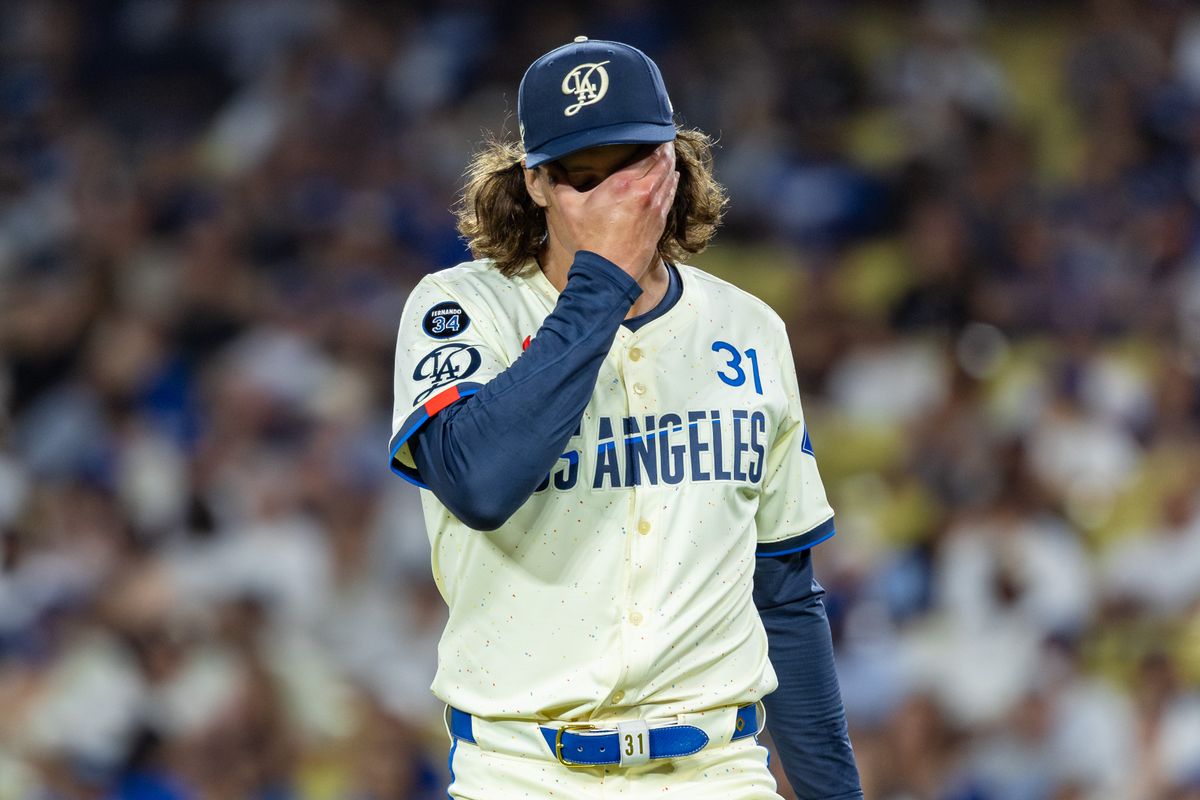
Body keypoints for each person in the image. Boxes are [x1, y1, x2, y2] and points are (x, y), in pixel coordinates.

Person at [389, 36, 862, 800]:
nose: (614, 197)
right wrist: (604, 277)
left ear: (674, 163)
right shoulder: (459, 309)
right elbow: (480, 482)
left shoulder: (748, 329)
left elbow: (783, 593)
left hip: (715, 770)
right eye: (583, 174)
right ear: (535, 183)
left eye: (633, 164)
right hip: (523, 772)